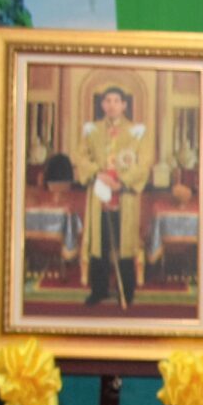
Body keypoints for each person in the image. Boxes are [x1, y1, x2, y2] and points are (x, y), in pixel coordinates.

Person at [77, 87, 149, 308]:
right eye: (107, 100)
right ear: (102, 105)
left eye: (117, 101)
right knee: (99, 244)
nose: (112, 105)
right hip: (99, 194)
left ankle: (126, 291)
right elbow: (81, 158)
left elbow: (143, 163)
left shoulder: (136, 132)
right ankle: (98, 290)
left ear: (124, 105)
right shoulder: (92, 131)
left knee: (124, 244)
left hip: (124, 196)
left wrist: (121, 182)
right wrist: (97, 174)